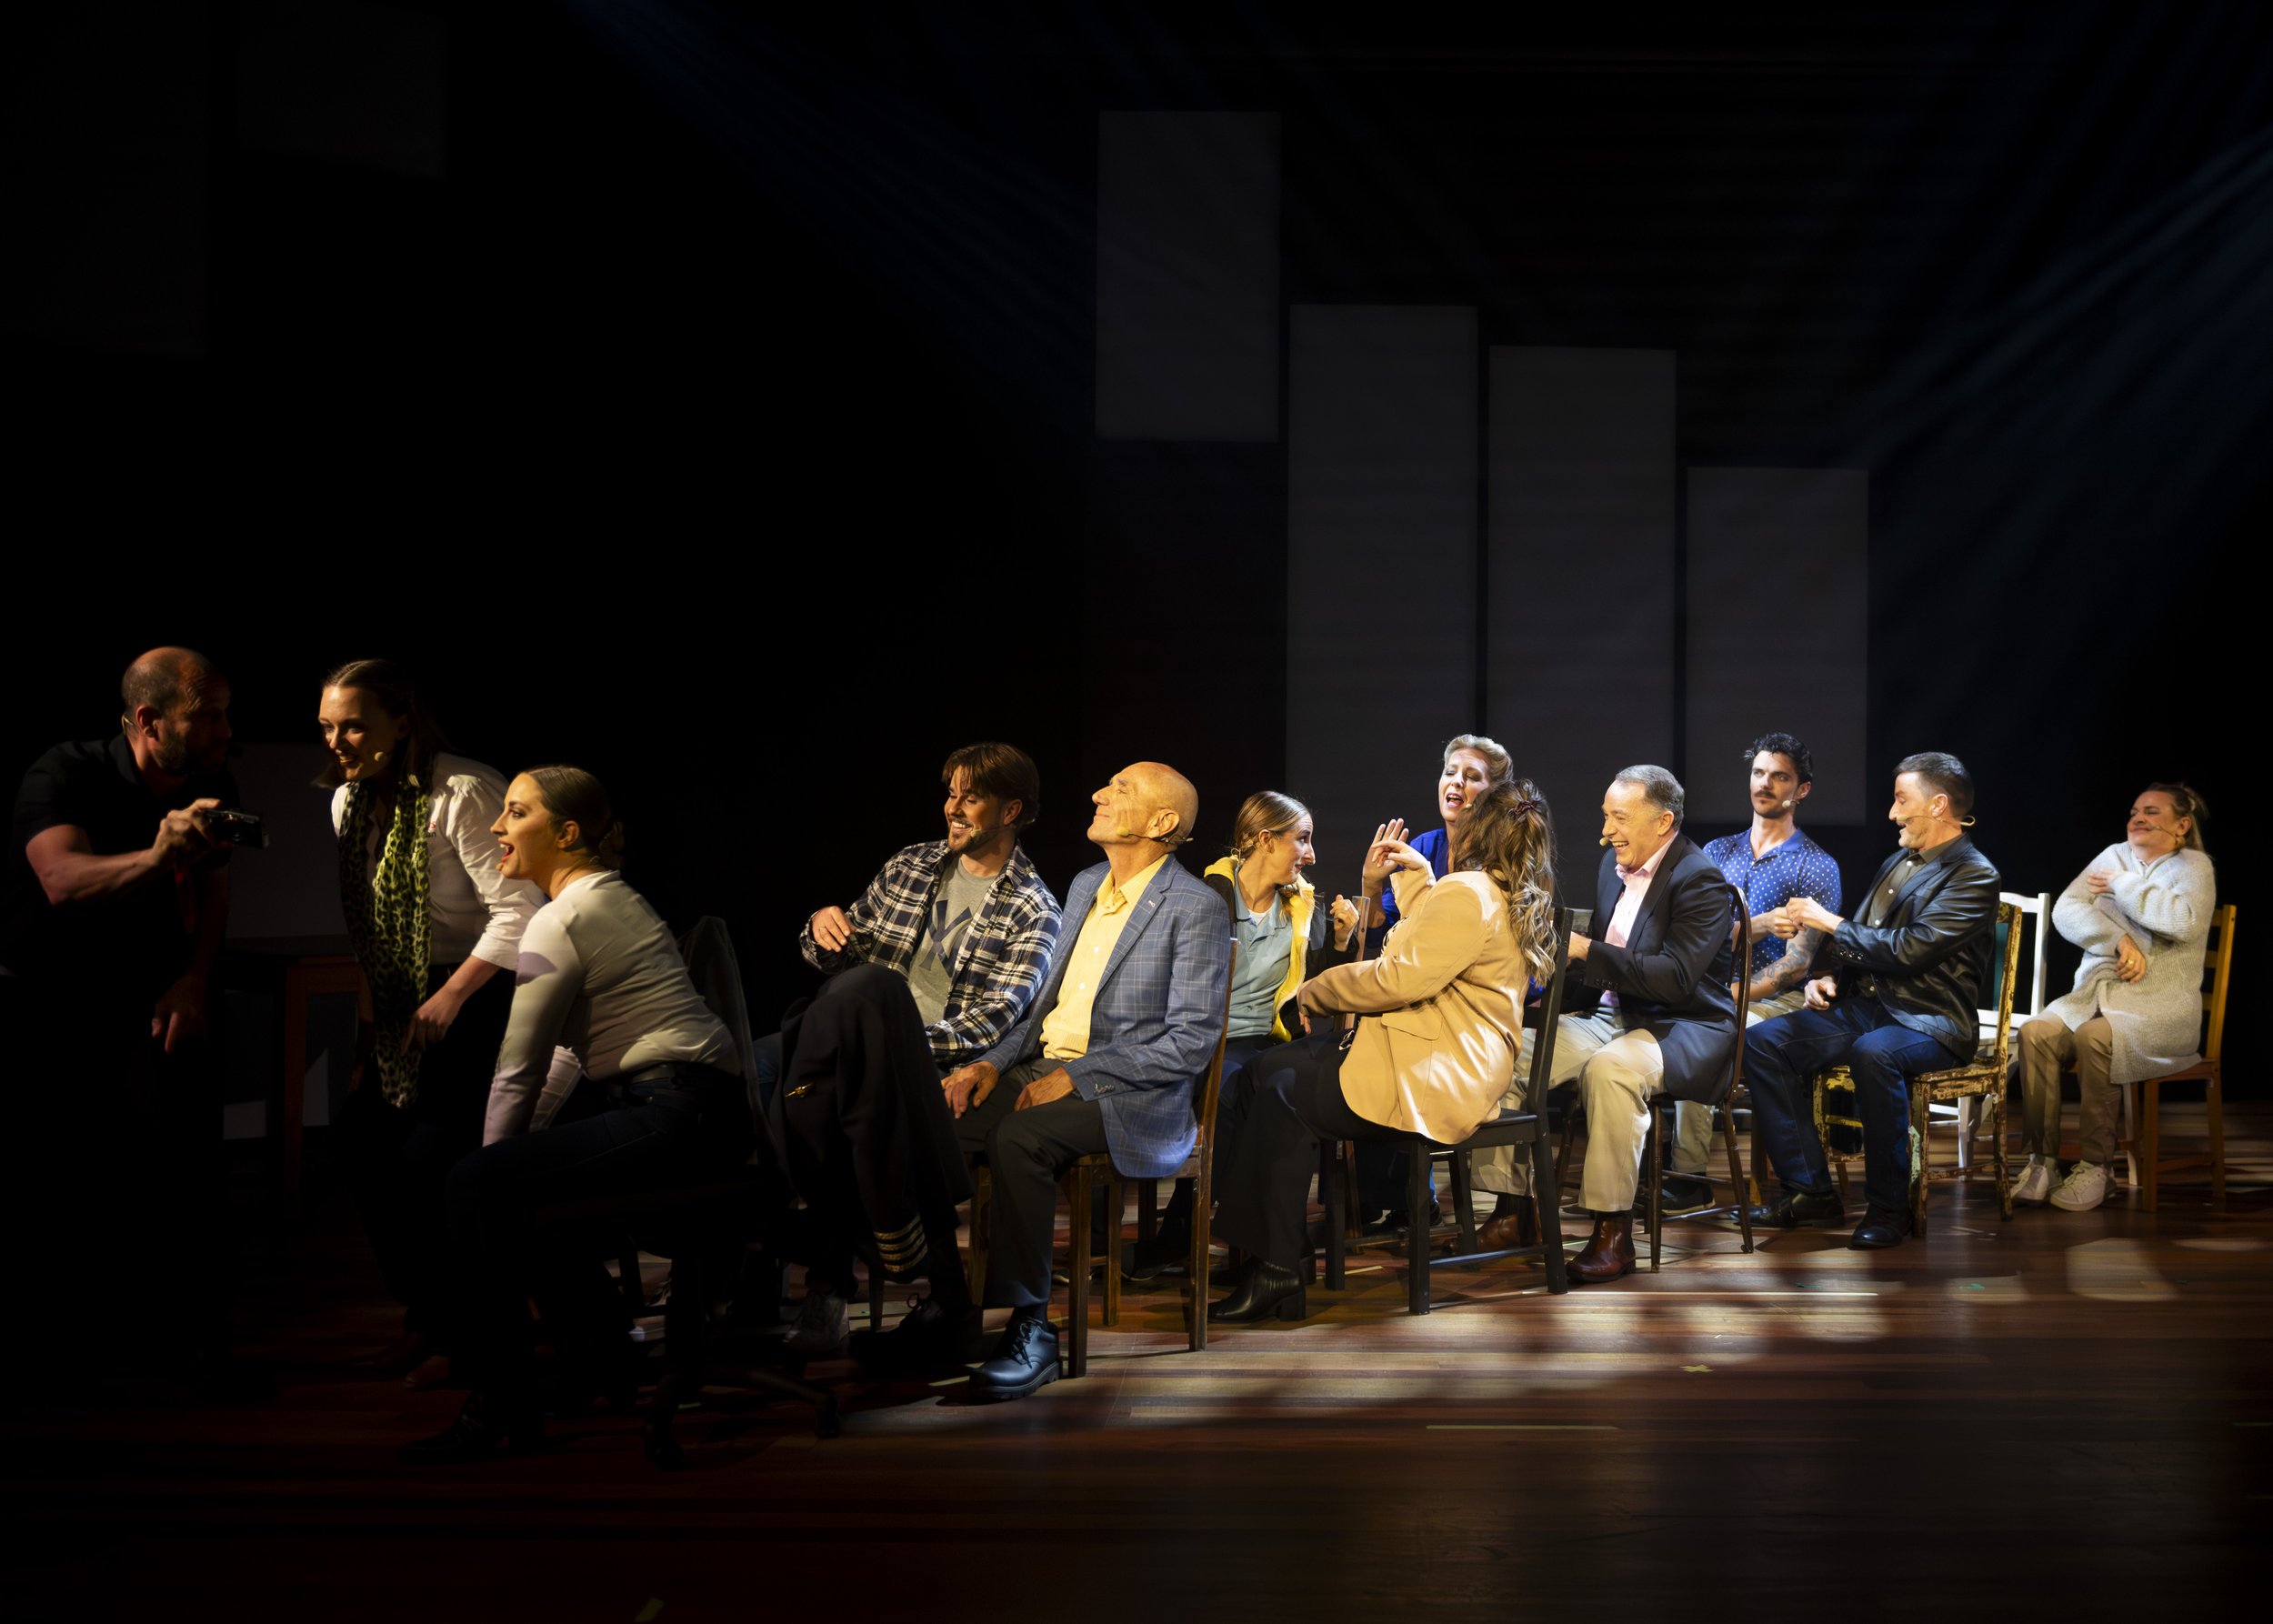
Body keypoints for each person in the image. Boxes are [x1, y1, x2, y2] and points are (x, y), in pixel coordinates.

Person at [405, 767, 746, 1462]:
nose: (498, 827)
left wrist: (490, 1166)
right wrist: (511, 1158)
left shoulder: (561, 918)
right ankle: (601, 1360)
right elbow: (561, 1058)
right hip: (703, 1111)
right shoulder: (609, 899)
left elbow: (518, 1066)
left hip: (676, 1113)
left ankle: (502, 1400)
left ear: (566, 833)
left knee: (475, 1185)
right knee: (519, 1189)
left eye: (516, 812)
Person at [1207, 780, 1556, 1322]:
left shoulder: (1470, 892)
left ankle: (1277, 1264)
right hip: (1456, 1055)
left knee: (1277, 1087)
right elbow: (1437, 945)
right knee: (1269, 1072)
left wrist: (1314, 990)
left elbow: (1401, 977)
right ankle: (1276, 1256)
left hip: (1441, 1066)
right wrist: (1419, 879)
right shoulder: (1497, 889)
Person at [941, 762, 1230, 1402]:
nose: (1099, 792)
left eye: (1120, 789)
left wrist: (1079, 1074)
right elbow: (1041, 1011)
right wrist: (988, 1062)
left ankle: (1031, 1329)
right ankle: (946, 1310)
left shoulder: (1195, 907)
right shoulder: (1086, 884)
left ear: (1162, 823)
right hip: (1047, 1069)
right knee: (934, 1123)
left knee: (1021, 1136)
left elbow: (1189, 1043)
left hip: (1135, 1094)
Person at [771, 744, 1060, 1363]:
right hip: (849, 1055)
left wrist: (888, 1046)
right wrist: (822, 928)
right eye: (950, 794)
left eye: (970, 798)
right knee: (760, 1061)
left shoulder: (1034, 908)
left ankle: (822, 1284)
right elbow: (839, 952)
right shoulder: (911, 864)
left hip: (924, 1060)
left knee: (862, 1014)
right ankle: (925, 1275)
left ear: (1011, 810)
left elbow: (995, 1020)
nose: (952, 809)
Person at [2, 648, 243, 1388]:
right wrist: (154, 853)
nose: (224, 731)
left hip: (158, 991)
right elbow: (62, 880)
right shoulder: (65, 772)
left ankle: (190, 1353)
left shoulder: (209, 780)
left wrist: (194, 979)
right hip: (52, 998)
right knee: (71, 1183)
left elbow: (215, 893)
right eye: (208, 717)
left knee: (188, 1168)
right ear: (149, 720)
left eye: (225, 714)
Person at [318, 660, 546, 1378]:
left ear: (403, 720)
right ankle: (429, 1315)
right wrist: (367, 1041)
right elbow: (372, 937)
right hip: (402, 998)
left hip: (481, 988)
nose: (338, 741)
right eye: (327, 727)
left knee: (430, 1162)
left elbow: (522, 914)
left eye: (354, 723)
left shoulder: (462, 790)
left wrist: (453, 995)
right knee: (361, 1145)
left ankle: (469, 1335)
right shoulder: (347, 805)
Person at [1742, 752, 2001, 1250]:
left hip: (1932, 1019)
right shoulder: (1899, 862)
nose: (1892, 813)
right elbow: (1867, 939)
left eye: (1902, 800)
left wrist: (1828, 921)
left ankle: (1890, 1207)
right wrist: (1829, 978)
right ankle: (1810, 1191)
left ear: (1939, 804)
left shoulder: (1973, 875)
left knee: (1875, 1052)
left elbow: (1910, 949)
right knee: (1764, 1043)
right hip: (1873, 1007)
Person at [1515, 767, 1740, 1284]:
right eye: (1605, 816)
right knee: (1509, 1051)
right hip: (1614, 1015)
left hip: (1685, 1025)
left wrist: (1587, 951)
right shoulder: (1609, 866)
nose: (1606, 830)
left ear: (1663, 822)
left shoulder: (1698, 879)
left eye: (1619, 818)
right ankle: (1513, 1212)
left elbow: (1679, 980)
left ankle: (1613, 1233)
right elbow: (1596, 972)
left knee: (1611, 1072)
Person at [1126, 791, 1359, 1278]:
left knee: (1275, 1089)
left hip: (1269, 1040)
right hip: (1204, 1036)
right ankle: (1235, 1239)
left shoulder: (1300, 907)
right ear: (1264, 839)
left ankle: (1232, 1241)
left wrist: (1338, 942)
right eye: (1303, 839)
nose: (1311, 854)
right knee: (1234, 1089)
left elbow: (1319, 986)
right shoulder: (1206, 896)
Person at [1665, 732, 1844, 1212]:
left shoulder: (1816, 866)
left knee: (1705, 1035)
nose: (1765, 784)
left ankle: (1687, 1174)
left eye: (1779, 776)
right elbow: (1687, 934)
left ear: (1801, 790)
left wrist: (1736, 993)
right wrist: (1754, 927)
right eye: (1759, 773)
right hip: (1707, 988)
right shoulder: (1716, 853)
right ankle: (1656, 1164)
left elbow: (1796, 964)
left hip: (1771, 999)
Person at [2014, 783, 2214, 1213]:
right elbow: (2067, 909)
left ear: (2181, 825)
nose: (2138, 818)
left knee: (2095, 1039)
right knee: (2035, 1032)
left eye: (2152, 812)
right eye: (2134, 811)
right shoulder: (2113, 853)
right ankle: (2042, 1161)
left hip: (2162, 1007)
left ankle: (2096, 1168)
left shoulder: (2193, 868)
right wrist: (2119, 938)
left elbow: (2179, 921)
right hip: (2095, 995)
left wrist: (2122, 886)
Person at [1357, 733, 1515, 1224]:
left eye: (1472, 777)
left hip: (1480, 1012)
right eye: (1451, 772)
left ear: (1492, 792)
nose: (1456, 784)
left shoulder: (1505, 854)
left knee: (1391, 1051)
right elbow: (1383, 937)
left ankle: (1414, 1197)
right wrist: (1370, 884)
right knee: (1367, 1041)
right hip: (1422, 996)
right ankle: (1391, 1199)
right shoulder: (1422, 844)